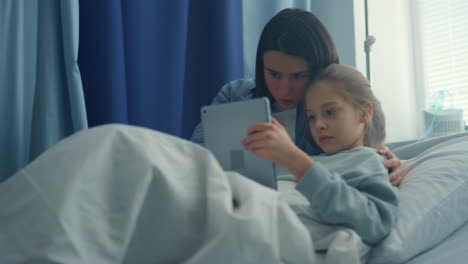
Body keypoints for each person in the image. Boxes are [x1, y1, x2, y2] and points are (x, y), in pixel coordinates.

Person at [190, 8, 404, 186]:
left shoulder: (341, 100)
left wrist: (388, 160)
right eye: (273, 74)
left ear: (319, 68)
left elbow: (369, 149)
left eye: (299, 76)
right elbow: (194, 155)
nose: (284, 90)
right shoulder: (234, 95)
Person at [242, 64, 399, 245]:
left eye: (330, 112)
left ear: (364, 113)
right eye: (312, 117)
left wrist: (295, 159)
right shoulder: (312, 159)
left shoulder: (367, 159)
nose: (319, 125)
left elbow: (375, 223)